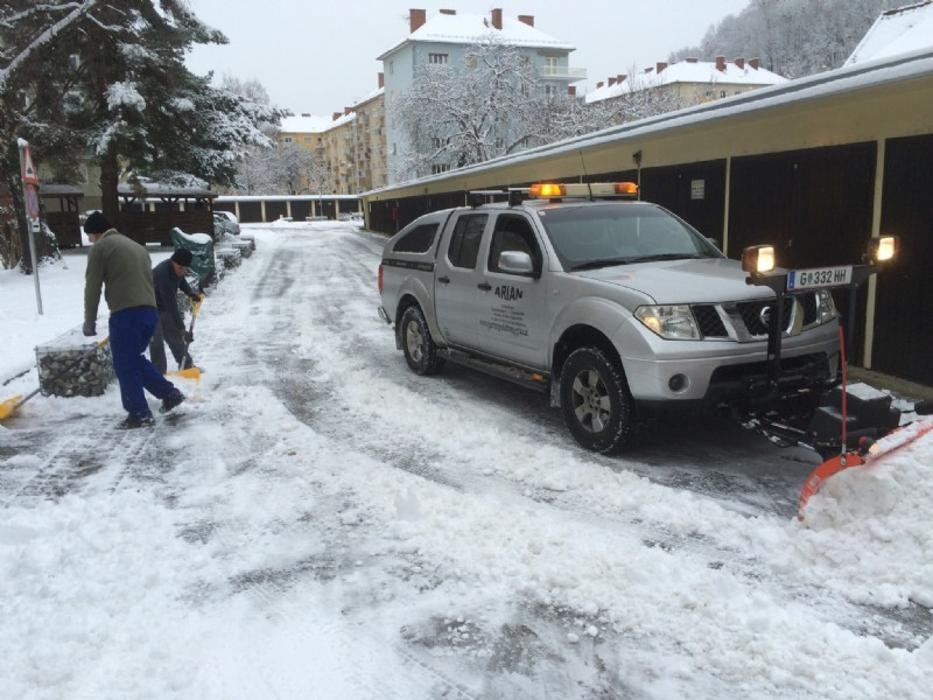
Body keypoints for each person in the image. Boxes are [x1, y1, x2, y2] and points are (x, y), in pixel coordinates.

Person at [82, 211, 185, 428]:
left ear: (95, 233)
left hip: (126, 313)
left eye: (90, 236)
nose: (90, 240)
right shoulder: (137, 247)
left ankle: (139, 413)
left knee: (124, 364)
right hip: (150, 312)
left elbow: (92, 287)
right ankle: (169, 394)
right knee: (133, 359)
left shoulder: (100, 248)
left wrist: (89, 322)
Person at [150, 248, 201, 374]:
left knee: (174, 336)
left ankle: (187, 366)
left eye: (185, 269)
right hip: (149, 307)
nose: (182, 271)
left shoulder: (177, 269)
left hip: (163, 306)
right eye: (180, 268)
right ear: (173, 262)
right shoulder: (163, 274)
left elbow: (181, 280)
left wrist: (190, 293)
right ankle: (158, 373)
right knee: (156, 340)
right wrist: (182, 329)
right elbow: (171, 305)